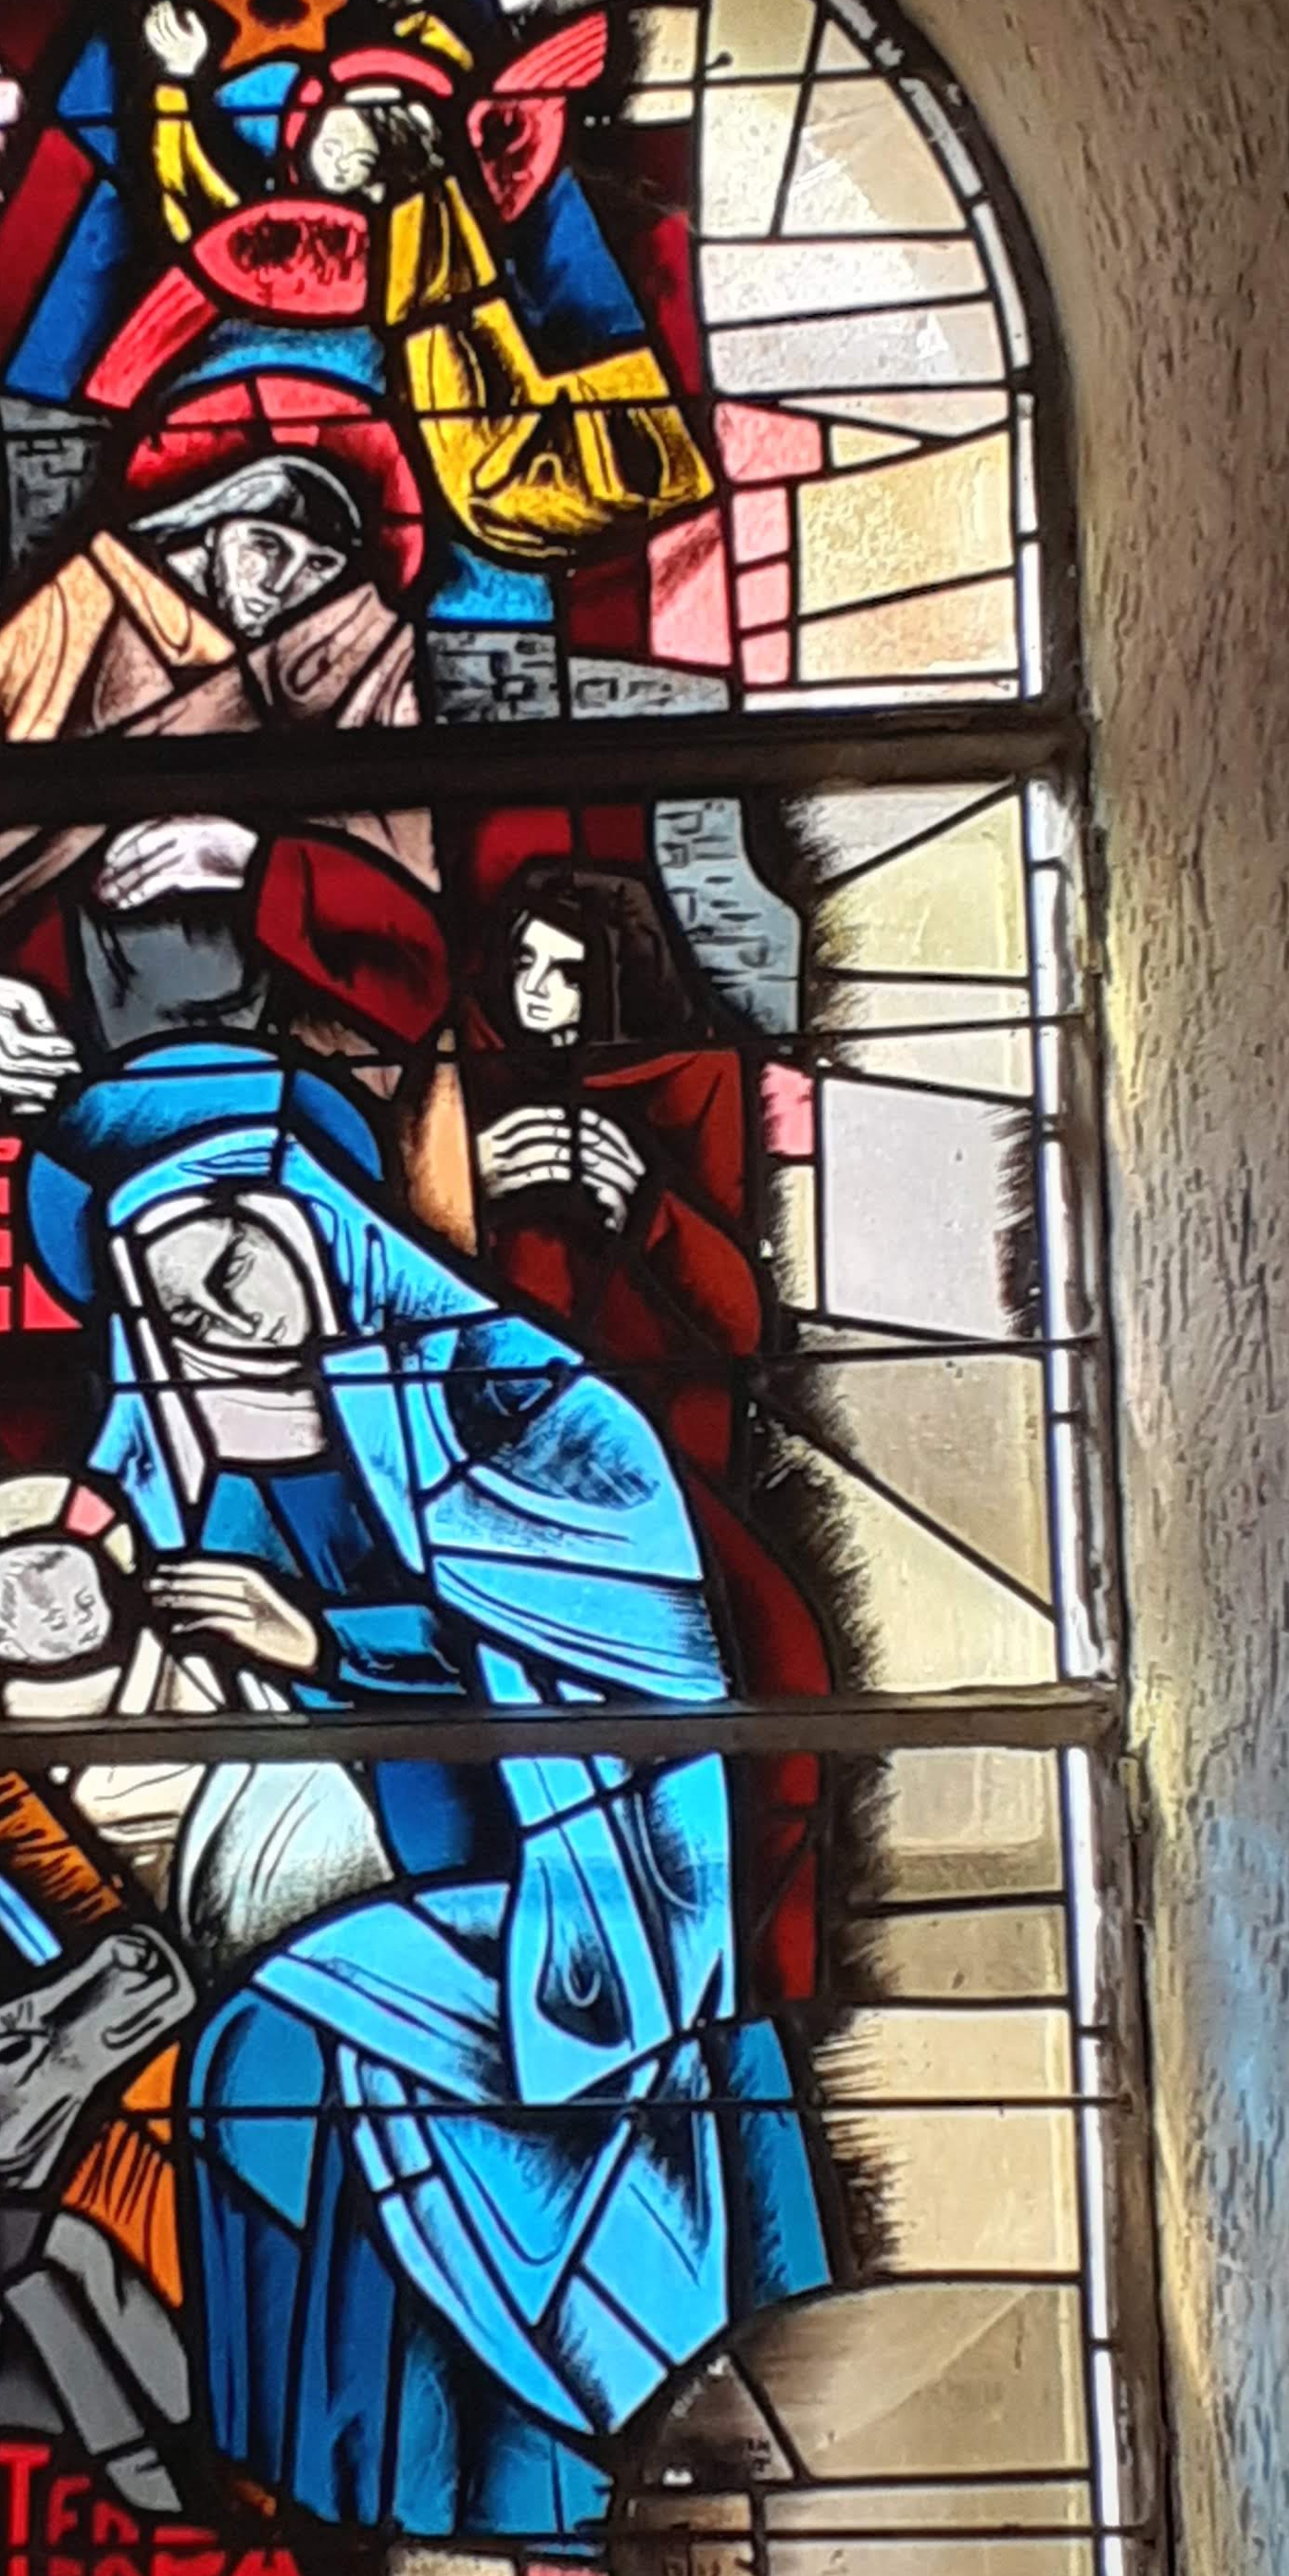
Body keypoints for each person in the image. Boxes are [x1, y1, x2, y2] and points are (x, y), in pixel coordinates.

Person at [21, 1044, 834, 2548]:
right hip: (364, 1911)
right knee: (253, 2063)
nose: (219, 1316)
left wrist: (327, 1643)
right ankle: (342, 2521)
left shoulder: (515, 1404)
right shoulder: (187, 1495)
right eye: (176, 1304)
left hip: (585, 1910)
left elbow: (624, 1680)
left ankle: (568, 2489)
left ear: (307, 1219)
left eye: (229, 1260)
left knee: (327, 2047)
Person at [469, 848, 837, 2000]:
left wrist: (647, 1206)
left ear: (620, 979)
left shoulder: (694, 1081)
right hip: (494, 1476)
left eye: (566, 972)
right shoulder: (463, 1088)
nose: (537, 993)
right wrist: (462, 1193)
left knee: (778, 1671)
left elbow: (737, 1322)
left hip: (666, 1475)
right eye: (523, 966)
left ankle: (743, 1993)